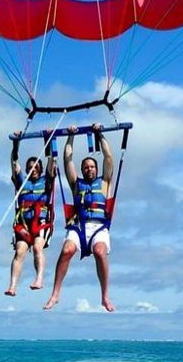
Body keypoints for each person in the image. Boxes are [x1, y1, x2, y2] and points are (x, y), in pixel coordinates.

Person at [44, 123, 115, 312]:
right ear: (83, 170)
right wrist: (70, 136)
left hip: (99, 227)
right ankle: (55, 294)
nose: (89, 169)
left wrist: (100, 134)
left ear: (96, 168)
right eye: (86, 167)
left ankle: (105, 296)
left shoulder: (105, 182)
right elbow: (68, 160)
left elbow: (108, 157)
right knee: (67, 250)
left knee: (100, 252)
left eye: (92, 167)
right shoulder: (77, 184)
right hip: (79, 226)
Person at [4, 131, 56, 296]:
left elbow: (51, 161)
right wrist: (15, 143)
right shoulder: (22, 182)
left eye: (36, 167)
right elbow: (14, 162)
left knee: (37, 248)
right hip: (24, 224)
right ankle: (12, 286)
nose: (33, 169)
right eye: (30, 167)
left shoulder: (46, 180)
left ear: (40, 169)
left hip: (41, 222)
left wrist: (48, 139)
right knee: (19, 251)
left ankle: (39, 279)